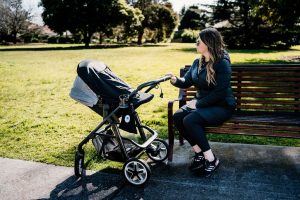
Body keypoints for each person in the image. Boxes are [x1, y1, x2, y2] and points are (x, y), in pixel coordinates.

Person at [168, 28, 236, 177]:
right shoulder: (197, 62)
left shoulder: (222, 63)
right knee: (178, 117)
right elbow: (186, 81)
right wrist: (175, 80)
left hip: (222, 106)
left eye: (199, 40)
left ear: (208, 43)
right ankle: (199, 153)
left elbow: (220, 93)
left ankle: (211, 160)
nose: (196, 43)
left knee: (190, 120)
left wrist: (197, 104)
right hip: (204, 104)